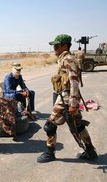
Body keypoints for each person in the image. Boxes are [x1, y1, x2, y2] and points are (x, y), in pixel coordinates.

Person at [37, 34, 98, 163]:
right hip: (67, 97)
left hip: (66, 98)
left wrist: (73, 104)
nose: (54, 48)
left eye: (56, 45)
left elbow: (74, 82)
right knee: (78, 125)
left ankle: (50, 153)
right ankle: (91, 152)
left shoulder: (68, 59)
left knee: (50, 125)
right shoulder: (64, 58)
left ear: (65, 46)